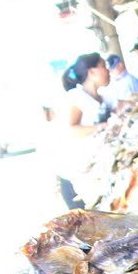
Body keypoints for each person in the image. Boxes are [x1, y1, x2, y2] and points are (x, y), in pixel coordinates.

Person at [56, 52, 110, 208]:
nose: (108, 70)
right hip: (77, 178)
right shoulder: (76, 97)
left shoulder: (100, 97)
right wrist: (102, 127)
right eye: (103, 66)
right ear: (92, 72)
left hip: (95, 174)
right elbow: (71, 129)